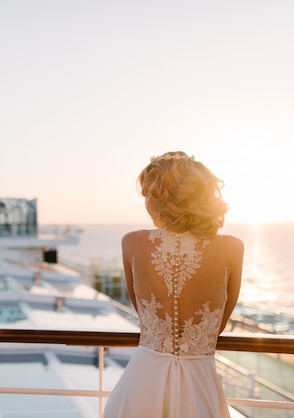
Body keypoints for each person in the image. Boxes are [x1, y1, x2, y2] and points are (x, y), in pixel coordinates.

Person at [103, 151, 244, 417]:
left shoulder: (131, 243)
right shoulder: (232, 248)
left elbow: (143, 314)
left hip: (141, 384)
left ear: (158, 199)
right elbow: (219, 323)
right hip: (200, 383)